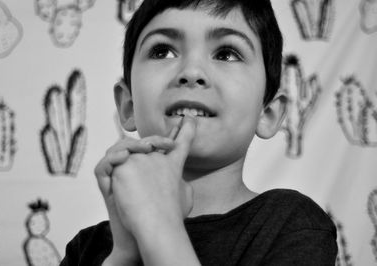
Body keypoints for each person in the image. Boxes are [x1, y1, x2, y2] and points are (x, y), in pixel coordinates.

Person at [60, 0, 338, 265]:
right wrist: (124, 255)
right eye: (162, 51)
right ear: (128, 105)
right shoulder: (87, 249)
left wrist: (158, 226)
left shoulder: (293, 225)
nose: (192, 72)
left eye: (226, 53)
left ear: (267, 113)